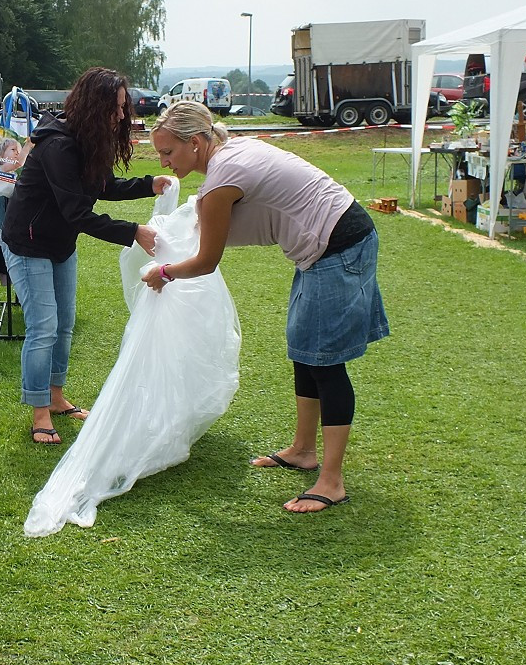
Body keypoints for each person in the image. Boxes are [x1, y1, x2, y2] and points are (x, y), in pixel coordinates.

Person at [143, 101, 389, 512]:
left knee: (324, 361)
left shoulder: (223, 177)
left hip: (339, 244)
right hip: (325, 245)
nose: (164, 161)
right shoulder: (228, 156)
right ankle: (303, 451)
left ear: (197, 142)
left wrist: (164, 272)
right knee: (304, 351)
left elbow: (206, 261)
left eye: (169, 152)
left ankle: (331, 481)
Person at [1, 66, 173, 445]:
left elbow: (103, 186)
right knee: (43, 327)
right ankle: (40, 412)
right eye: (115, 108)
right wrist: (132, 232)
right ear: (95, 107)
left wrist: (148, 185)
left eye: (123, 108)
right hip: (28, 243)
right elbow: (77, 212)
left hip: (59, 243)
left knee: (65, 324)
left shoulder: (89, 141)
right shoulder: (58, 146)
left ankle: (57, 397)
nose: (121, 116)